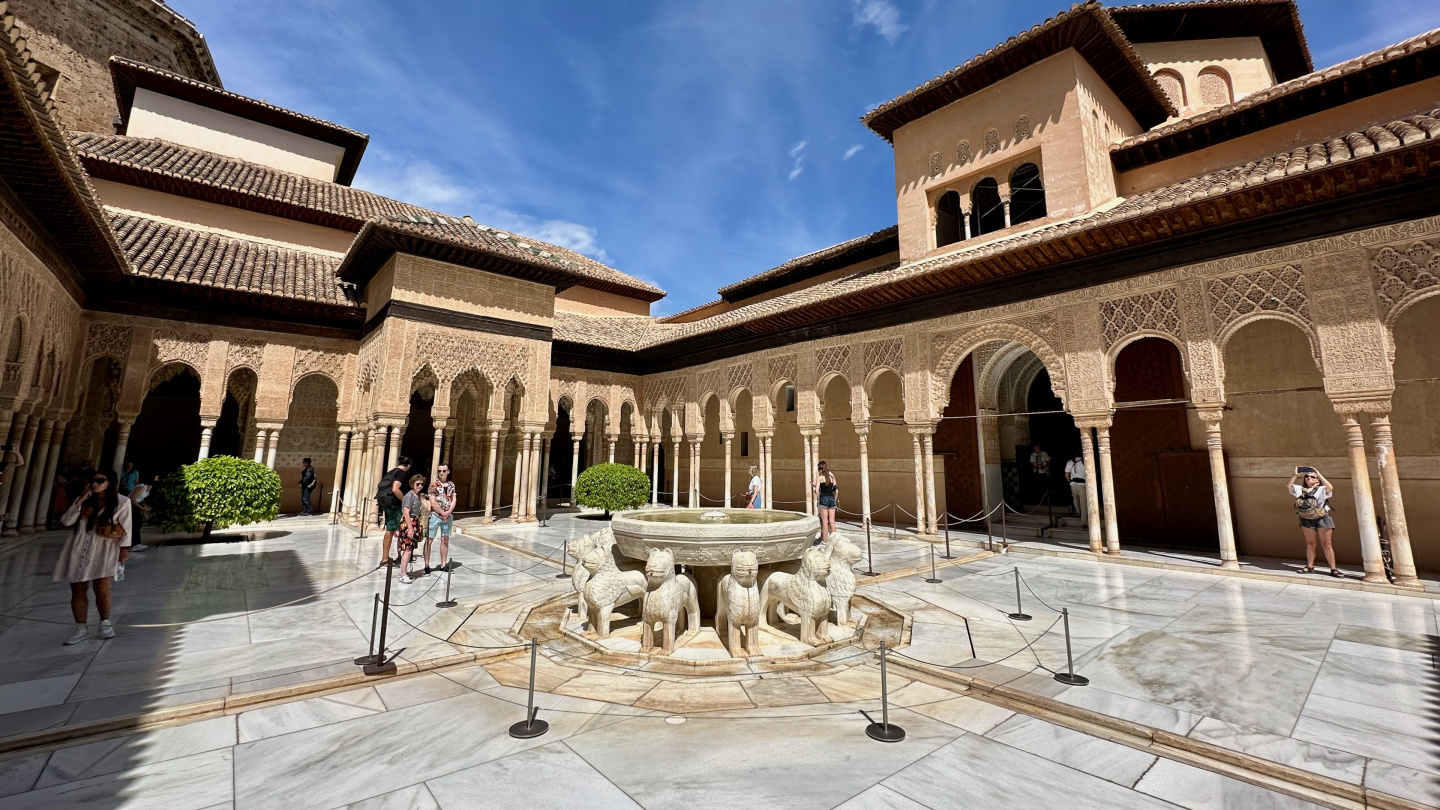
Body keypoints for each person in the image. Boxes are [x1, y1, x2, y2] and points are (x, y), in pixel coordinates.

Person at [52, 470, 131, 644]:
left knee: (102, 588)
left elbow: (127, 527)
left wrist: (124, 550)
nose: (95, 484)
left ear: (109, 482)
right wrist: (80, 499)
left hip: (104, 548)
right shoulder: (85, 499)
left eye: (100, 480)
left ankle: (105, 623)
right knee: (78, 590)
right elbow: (66, 521)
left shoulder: (121, 501)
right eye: (92, 481)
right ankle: (81, 628)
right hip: (79, 547)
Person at [1289, 468, 1340, 577]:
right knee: (1310, 544)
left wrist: (1318, 473)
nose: (1309, 478)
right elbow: (1289, 486)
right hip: (1306, 518)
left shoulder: (1322, 489)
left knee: (1327, 544)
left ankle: (1333, 569)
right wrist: (1295, 474)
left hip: (1322, 517)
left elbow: (1330, 487)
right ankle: (1310, 566)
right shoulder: (1300, 489)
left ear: (1317, 480)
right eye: (1307, 476)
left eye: (1312, 477)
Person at [376, 456, 412, 569]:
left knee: (390, 530)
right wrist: (405, 501)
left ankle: (387, 557)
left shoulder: (391, 472)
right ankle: (393, 557)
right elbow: (395, 489)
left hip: (388, 504)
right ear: (409, 466)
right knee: (399, 529)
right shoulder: (401, 473)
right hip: (395, 505)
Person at [426, 464, 457, 574]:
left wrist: (448, 512)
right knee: (429, 540)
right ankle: (427, 565)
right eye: (439, 471)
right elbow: (432, 502)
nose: (441, 473)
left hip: (447, 517)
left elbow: (454, 499)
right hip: (435, 516)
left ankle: (443, 564)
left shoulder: (451, 485)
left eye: (444, 471)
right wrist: (441, 512)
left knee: (445, 539)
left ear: (448, 471)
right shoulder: (433, 485)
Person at [398, 474, 426, 584]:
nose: (419, 486)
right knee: (407, 549)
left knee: (410, 549)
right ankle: (403, 574)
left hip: (414, 522)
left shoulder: (416, 495)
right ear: (412, 484)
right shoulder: (409, 495)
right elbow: (406, 512)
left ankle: (404, 572)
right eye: (417, 484)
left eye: (421, 484)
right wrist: (410, 528)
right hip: (408, 522)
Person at [814, 460, 838, 543]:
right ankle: (834, 541)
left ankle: (824, 542)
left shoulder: (819, 478)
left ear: (820, 470)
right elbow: (836, 490)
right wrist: (834, 499)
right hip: (831, 499)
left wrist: (818, 495)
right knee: (832, 521)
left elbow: (817, 491)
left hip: (823, 499)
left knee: (825, 522)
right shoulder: (832, 478)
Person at [128, 474, 153, 551]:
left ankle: (136, 543)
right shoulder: (141, 487)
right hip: (131, 505)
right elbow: (132, 499)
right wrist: (142, 508)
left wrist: (144, 505)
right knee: (135, 524)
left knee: (137, 524)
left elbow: (141, 497)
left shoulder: (149, 487)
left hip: (137, 506)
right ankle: (134, 544)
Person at [1064, 451, 1087, 525]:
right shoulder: (1085, 462)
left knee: (1076, 498)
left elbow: (1066, 474)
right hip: (1082, 484)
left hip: (1073, 484)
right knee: (1083, 502)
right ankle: (1084, 521)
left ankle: (1078, 512)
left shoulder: (1070, 462)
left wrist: (1069, 481)